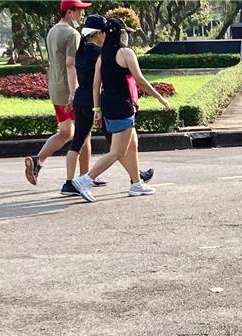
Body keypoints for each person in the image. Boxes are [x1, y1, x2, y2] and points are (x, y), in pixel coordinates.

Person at [72, 18, 170, 202]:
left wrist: (97, 109)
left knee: (132, 145)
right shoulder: (126, 53)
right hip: (122, 106)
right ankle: (86, 180)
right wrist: (160, 97)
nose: (127, 36)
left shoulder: (102, 56)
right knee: (117, 152)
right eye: (125, 32)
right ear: (118, 33)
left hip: (108, 105)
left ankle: (136, 183)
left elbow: (96, 86)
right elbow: (140, 80)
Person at [23, 0, 90, 186]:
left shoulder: (52, 31)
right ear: (70, 12)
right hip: (69, 89)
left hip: (55, 87)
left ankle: (37, 160)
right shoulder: (72, 34)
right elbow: (70, 64)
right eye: (80, 10)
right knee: (84, 133)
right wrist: (74, 92)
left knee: (65, 132)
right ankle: (85, 177)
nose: (82, 14)